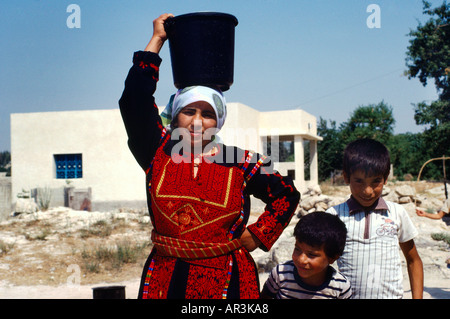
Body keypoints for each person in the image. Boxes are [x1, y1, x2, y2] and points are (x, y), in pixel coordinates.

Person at [118, 13, 300, 299]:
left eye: (208, 114)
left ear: (220, 121)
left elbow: (287, 194)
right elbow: (134, 101)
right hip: (165, 279)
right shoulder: (157, 151)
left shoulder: (242, 161)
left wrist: (258, 234)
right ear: (175, 116)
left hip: (227, 279)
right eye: (189, 112)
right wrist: (157, 40)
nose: (198, 122)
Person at [326, 138, 424, 299]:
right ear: (346, 177)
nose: (368, 191)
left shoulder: (397, 213)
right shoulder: (334, 215)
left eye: (376, 181)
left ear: (385, 178)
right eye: (359, 181)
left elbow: (413, 260)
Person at [261, 212, 352, 299]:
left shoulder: (340, 287)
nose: (301, 260)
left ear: (332, 258)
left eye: (311, 255)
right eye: (297, 249)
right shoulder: (280, 273)